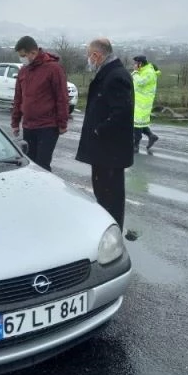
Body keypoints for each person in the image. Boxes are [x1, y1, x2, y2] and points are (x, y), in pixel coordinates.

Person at [76, 38, 134, 232]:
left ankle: (111, 234)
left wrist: (99, 129)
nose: (88, 59)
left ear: (96, 55)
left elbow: (121, 113)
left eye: (88, 55)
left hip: (110, 152)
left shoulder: (116, 76)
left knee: (111, 197)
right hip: (104, 152)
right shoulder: (108, 73)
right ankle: (106, 230)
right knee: (103, 194)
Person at [11, 35, 69, 172]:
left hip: (47, 126)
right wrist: (15, 122)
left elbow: (61, 97)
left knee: (42, 165)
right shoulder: (23, 71)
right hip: (29, 126)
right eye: (20, 56)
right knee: (30, 164)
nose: (22, 59)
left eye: (24, 55)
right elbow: (18, 98)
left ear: (33, 52)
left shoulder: (53, 69)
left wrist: (62, 123)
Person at [131, 55, 161, 153]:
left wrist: (135, 72)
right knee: (139, 122)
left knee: (137, 124)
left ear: (140, 64)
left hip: (143, 102)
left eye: (135, 63)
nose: (134, 65)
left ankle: (136, 145)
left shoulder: (149, 72)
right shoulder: (143, 70)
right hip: (138, 101)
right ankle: (151, 136)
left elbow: (140, 82)